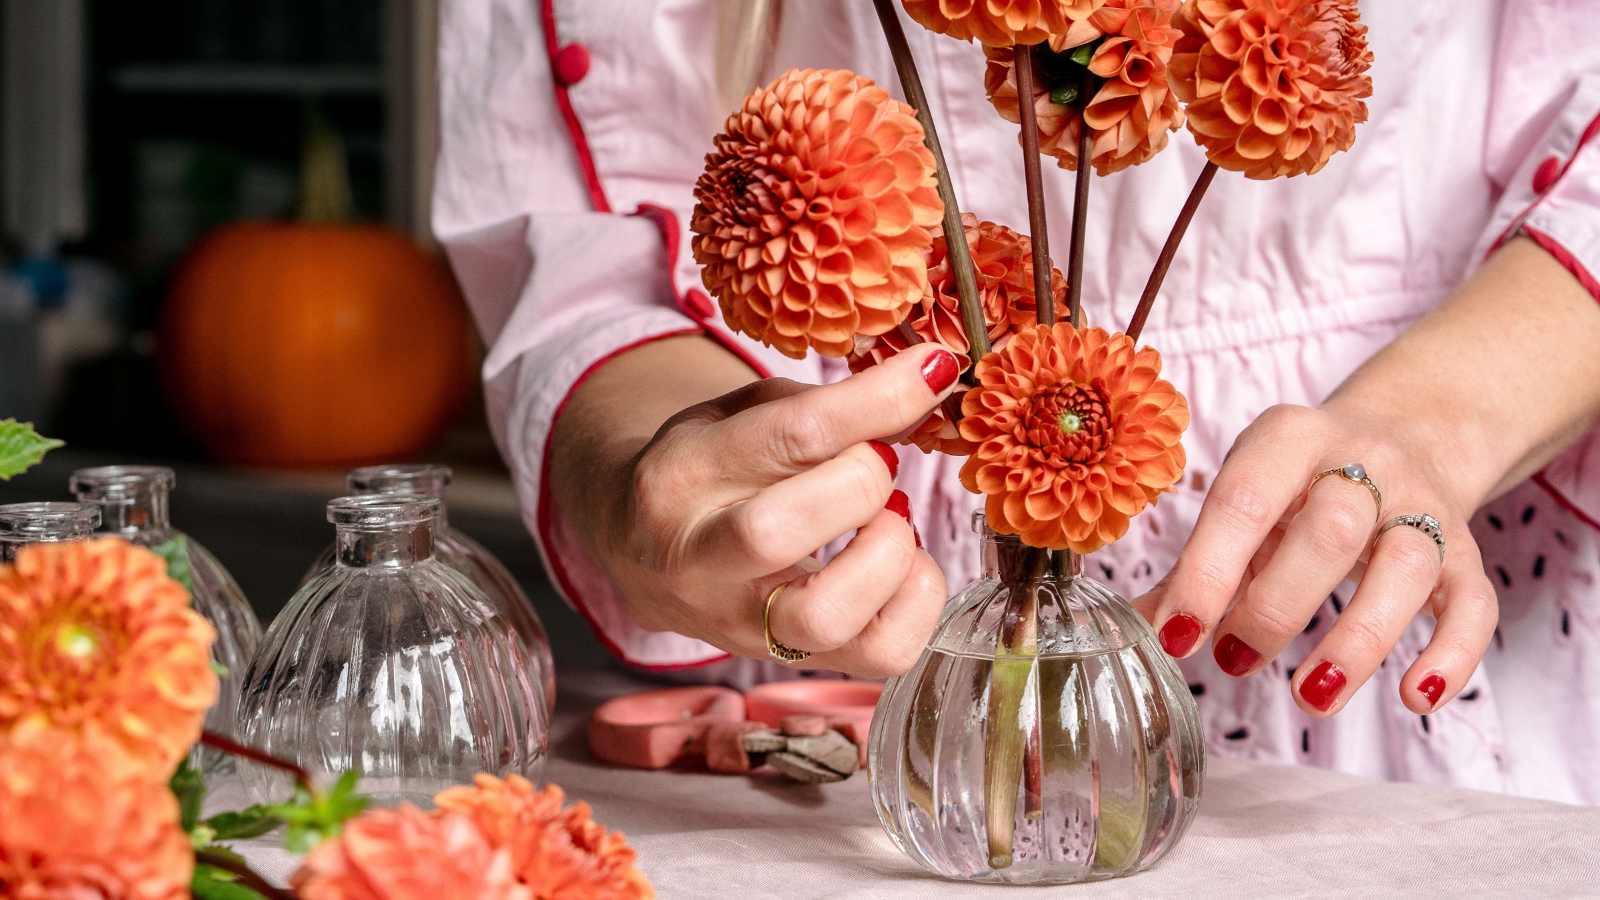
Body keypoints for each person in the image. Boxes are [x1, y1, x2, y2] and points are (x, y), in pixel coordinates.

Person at [433, 0, 1600, 804]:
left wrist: (1436, 422)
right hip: (848, 635)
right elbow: (582, 229)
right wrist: (671, 482)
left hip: (1396, 603)